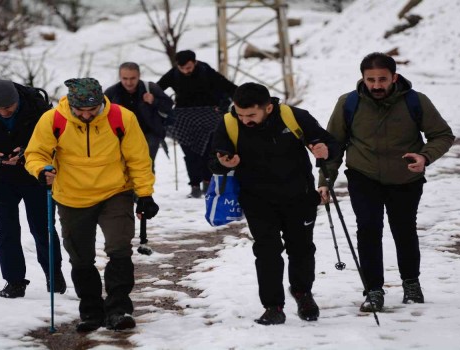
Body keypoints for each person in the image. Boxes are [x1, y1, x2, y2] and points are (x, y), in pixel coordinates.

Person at [317, 52, 455, 313]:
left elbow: (442, 135)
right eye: (371, 80)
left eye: (382, 79)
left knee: (404, 229)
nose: (377, 85)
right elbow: (333, 145)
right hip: (363, 175)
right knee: (368, 229)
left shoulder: (416, 102)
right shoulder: (348, 103)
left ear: (395, 77)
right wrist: (325, 180)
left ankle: (411, 283)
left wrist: (424, 156)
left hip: (406, 177)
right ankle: (373, 290)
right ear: (363, 79)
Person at [24, 78, 159, 332]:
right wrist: (41, 170)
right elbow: (35, 153)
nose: (86, 115)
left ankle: (119, 309)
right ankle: (91, 311)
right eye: (80, 111)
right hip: (72, 197)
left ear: (100, 102)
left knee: (119, 247)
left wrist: (145, 194)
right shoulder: (53, 120)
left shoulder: (121, 118)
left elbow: (138, 159)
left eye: (92, 110)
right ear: (71, 105)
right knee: (80, 256)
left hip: (115, 192)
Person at [210, 82, 339, 325]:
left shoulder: (294, 117)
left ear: (268, 108)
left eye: (251, 115)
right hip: (257, 200)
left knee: (301, 248)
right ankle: (273, 306)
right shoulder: (228, 123)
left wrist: (324, 149)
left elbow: (329, 143)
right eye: (240, 113)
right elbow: (214, 159)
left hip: (298, 197)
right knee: (267, 251)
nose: (244, 119)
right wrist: (224, 164)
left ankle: (302, 293)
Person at [0, 79, 66, 298]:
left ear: (16, 100)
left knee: (43, 228)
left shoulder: (36, 104)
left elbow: (57, 137)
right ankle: (14, 282)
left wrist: (27, 152)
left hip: (35, 176)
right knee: (6, 230)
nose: (4, 112)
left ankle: (54, 275)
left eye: (8, 108)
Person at [158, 50, 237, 198]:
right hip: (184, 119)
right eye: (182, 68)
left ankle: (207, 182)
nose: (185, 71)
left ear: (195, 62)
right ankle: (194, 185)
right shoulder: (174, 74)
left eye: (188, 67)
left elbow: (227, 87)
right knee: (189, 153)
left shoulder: (205, 71)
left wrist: (225, 105)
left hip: (208, 116)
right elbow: (158, 89)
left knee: (208, 151)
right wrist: (162, 104)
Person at [104, 62, 173, 172]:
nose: (129, 82)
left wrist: (154, 100)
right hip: (122, 136)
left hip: (149, 134)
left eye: (133, 78)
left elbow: (168, 105)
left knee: (147, 166)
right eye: (125, 78)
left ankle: (145, 189)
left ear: (139, 76)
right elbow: (101, 114)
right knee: (124, 168)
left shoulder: (150, 88)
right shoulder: (112, 93)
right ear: (120, 76)